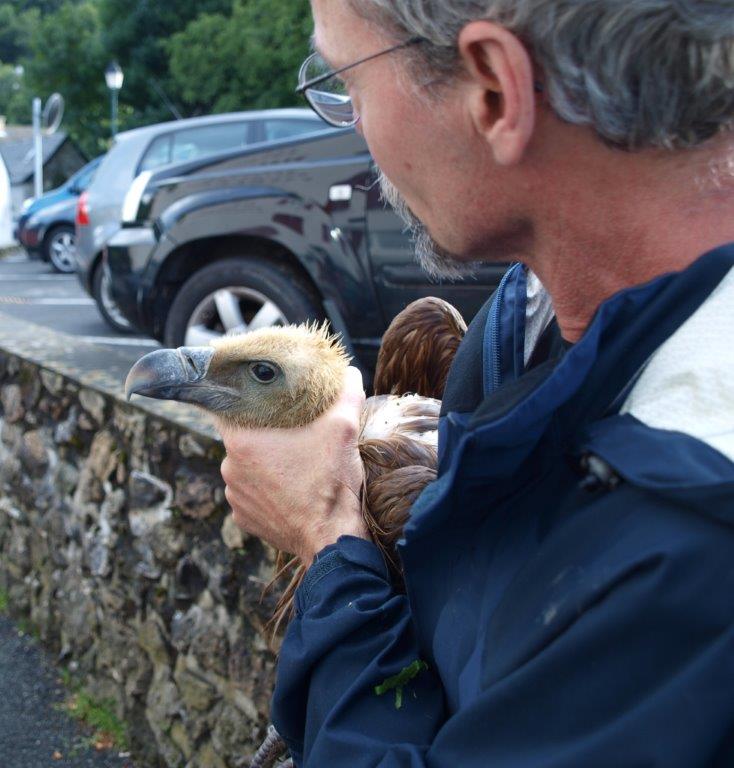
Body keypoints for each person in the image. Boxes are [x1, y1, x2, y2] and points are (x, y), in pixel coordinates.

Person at [220, 1, 734, 765]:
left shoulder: (689, 550)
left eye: (348, 82)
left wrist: (329, 538)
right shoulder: (522, 327)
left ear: (493, 91)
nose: (350, 123)